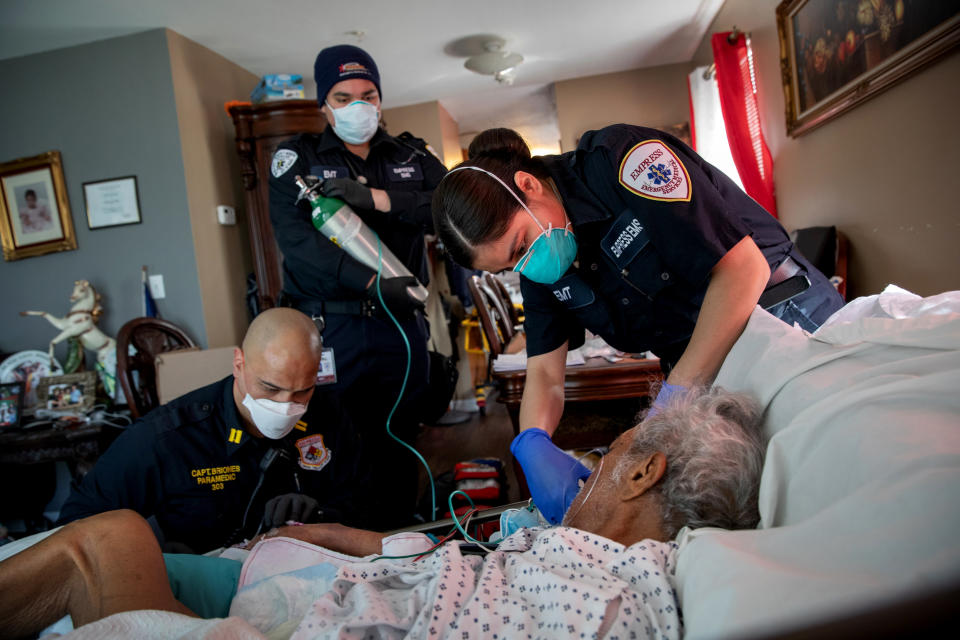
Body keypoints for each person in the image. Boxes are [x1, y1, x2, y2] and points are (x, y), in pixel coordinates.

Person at [0, 387, 764, 638]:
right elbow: (455, 569)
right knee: (112, 541)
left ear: (642, 474)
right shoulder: (576, 552)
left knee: (97, 547)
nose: (586, 474)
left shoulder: (613, 592)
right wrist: (342, 539)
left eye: (602, 460)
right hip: (334, 597)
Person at [431, 126, 845, 523]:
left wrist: (673, 398)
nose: (525, 266)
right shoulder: (539, 267)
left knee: (820, 482)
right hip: (698, 363)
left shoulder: (624, 160)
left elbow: (743, 270)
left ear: (528, 185)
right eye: (509, 265)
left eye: (520, 246)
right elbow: (543, 371)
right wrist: (532, 442)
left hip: (777, 315)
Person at [268, 44, 448, 528]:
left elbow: (455, 210)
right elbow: (300, 244)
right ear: (323, 105)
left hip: (400, 326)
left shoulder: (412, 154)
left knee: (400, 435)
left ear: (381, 98)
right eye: (343, 97)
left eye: (368, 95)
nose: (358, 106)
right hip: (333, 327)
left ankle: (402, 536)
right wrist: (371, 283)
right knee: (332, 440)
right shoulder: (296, 158)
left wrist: (377, 198)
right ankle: (344, 540)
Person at [57, 308, 370, 554]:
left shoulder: (329, 415)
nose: (285, 405)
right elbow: (78, 524)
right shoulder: (169, 436)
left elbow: (363, 500)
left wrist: (319, 515)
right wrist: (148, 553)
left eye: (302, 391)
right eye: (270, 388)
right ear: (238, 363)